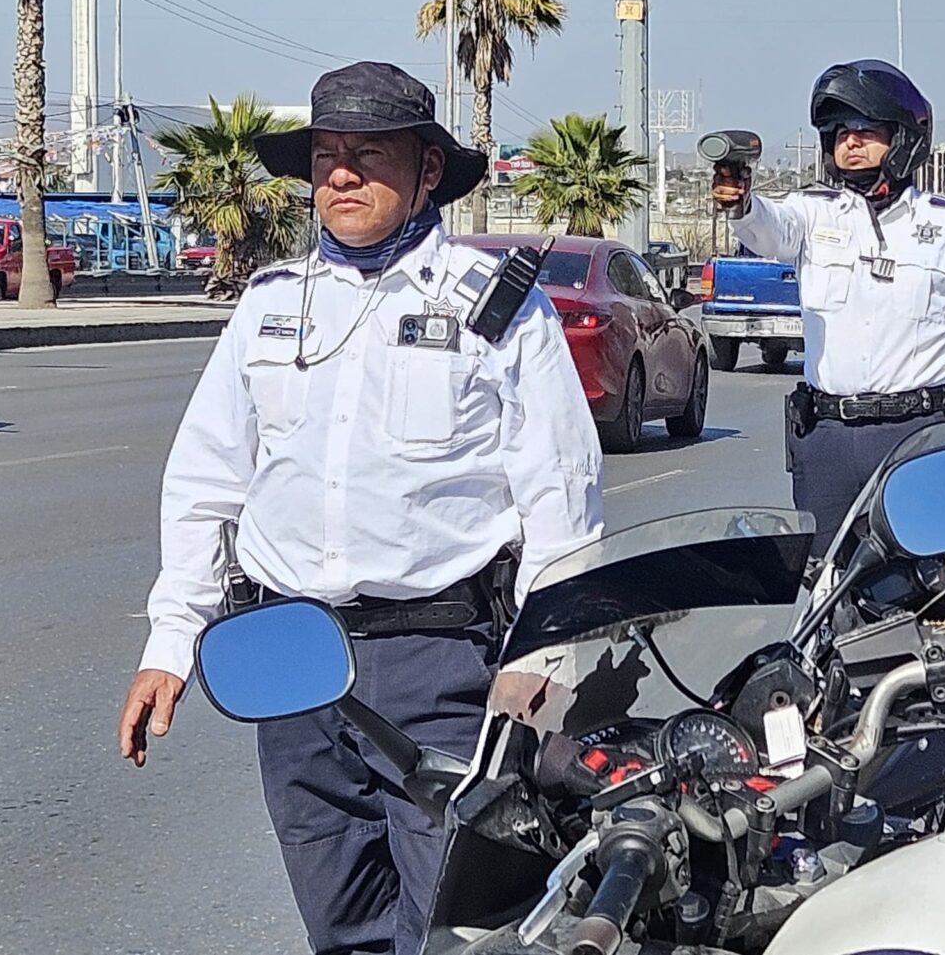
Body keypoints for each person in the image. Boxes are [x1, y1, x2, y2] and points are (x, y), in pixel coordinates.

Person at [118, 61, 602, 955]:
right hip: (293, 659)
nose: (340, 175)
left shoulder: (495, 308)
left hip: (442, 663)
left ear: (427, 170)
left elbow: (560, 495)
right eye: (325, 156)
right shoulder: (268, 305)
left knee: (455, 926)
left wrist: (544, 656)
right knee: (339, 920)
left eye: (368, 154)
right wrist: (170, 643)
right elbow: (205, 481)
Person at [710, 59, 945, 553]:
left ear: (902, 139)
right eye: (840, 133)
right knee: (824, 578)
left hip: (919, 437)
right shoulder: (814, 213)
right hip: (828, 440)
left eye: (865, 130)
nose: (850, 143)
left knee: (932, 578)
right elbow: (770, 229)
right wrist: (741, 205)